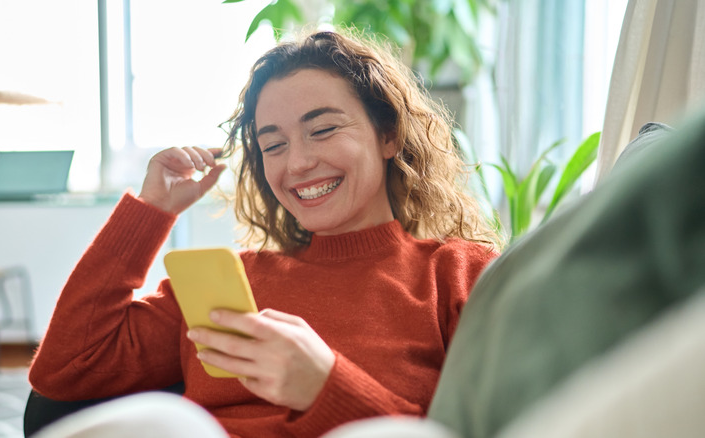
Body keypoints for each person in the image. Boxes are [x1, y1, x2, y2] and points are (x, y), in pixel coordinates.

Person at [28, 29, 501, 438]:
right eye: (273, 144)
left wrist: (326, 386)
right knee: (165, 422)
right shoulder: (231, 286)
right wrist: (150, 212)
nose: (297, 164)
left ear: (388, 135)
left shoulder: (459, 274)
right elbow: (65, 371)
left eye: (323, 129)